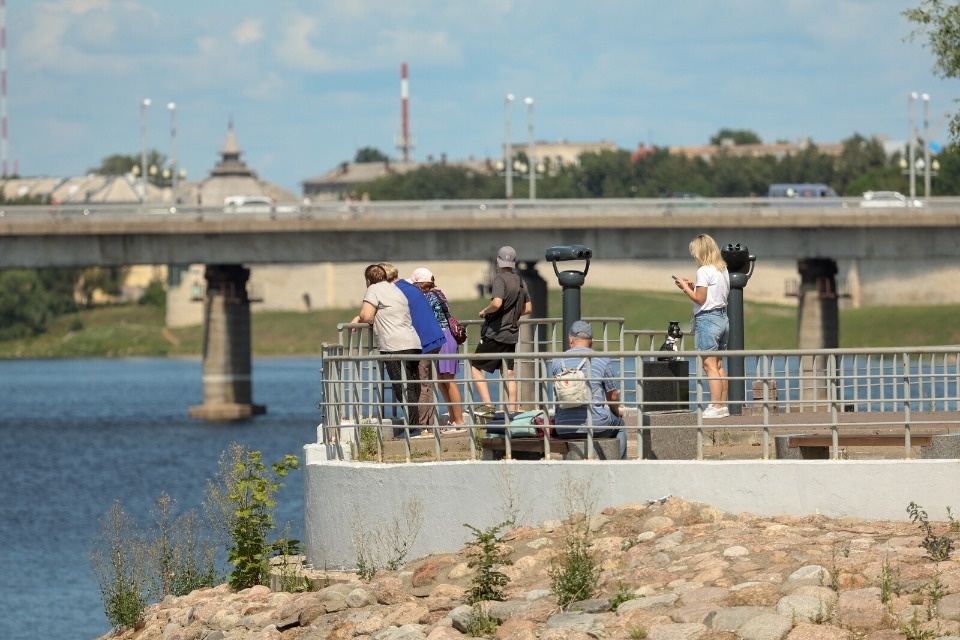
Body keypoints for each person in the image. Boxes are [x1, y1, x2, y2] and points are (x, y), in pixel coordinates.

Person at [351, 263, 423, 433]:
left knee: (402, 388)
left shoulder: (374, 289)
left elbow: (367, 316)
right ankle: (415, 426)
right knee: (411, 385)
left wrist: (359, 318)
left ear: (368, 280)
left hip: (394, 346)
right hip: (412, 342)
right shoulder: (395, 289)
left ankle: (413, 429)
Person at [380, 263, 445, 427]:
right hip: (434, 338)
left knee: (422, 385)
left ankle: (421, 427)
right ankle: (428, 424)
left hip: (424, 341)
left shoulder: (397, 290)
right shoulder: (407, 287)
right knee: (426, 384)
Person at [551, 320, 628, 459]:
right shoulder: (601, 359)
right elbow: (613, 396)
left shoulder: (557, 362)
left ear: (570, 339)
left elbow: (557, 397)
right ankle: (621, 466)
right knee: (621, 425)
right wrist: (617, 413)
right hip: (596, 424)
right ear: (592, 341)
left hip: (563, 427)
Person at [471, 246, 532, 418]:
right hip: (511, 334)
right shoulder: (521, 281)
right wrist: (512, 314)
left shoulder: (499, 280)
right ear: (513, 262)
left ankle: (488, 405)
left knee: (475, 366)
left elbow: (497, 303)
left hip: (495, 333)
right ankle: (512, 411)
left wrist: (485, 311)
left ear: (498, 260)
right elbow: (528, 308)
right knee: (508, 373)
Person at [675, 233, 730, 418]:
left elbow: (700, 298)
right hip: (723, 318)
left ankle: (714, 406)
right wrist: (693, 285)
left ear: (700, 252)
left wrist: (685, 287)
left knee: (709, 366)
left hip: (708, 319)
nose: (694, 257)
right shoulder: (722, 270)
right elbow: (715, 292)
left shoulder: (704, 270)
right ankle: (722, 405)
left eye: (694, 253)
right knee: (719, 364)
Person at [410, 267, 466, 431]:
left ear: (420, 283)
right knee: (443, 381)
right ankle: (453, 419)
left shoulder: (428, 296)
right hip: (444, 336)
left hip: (443, 337)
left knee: (448, 380)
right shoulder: (438, 293)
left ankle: (460, 420)